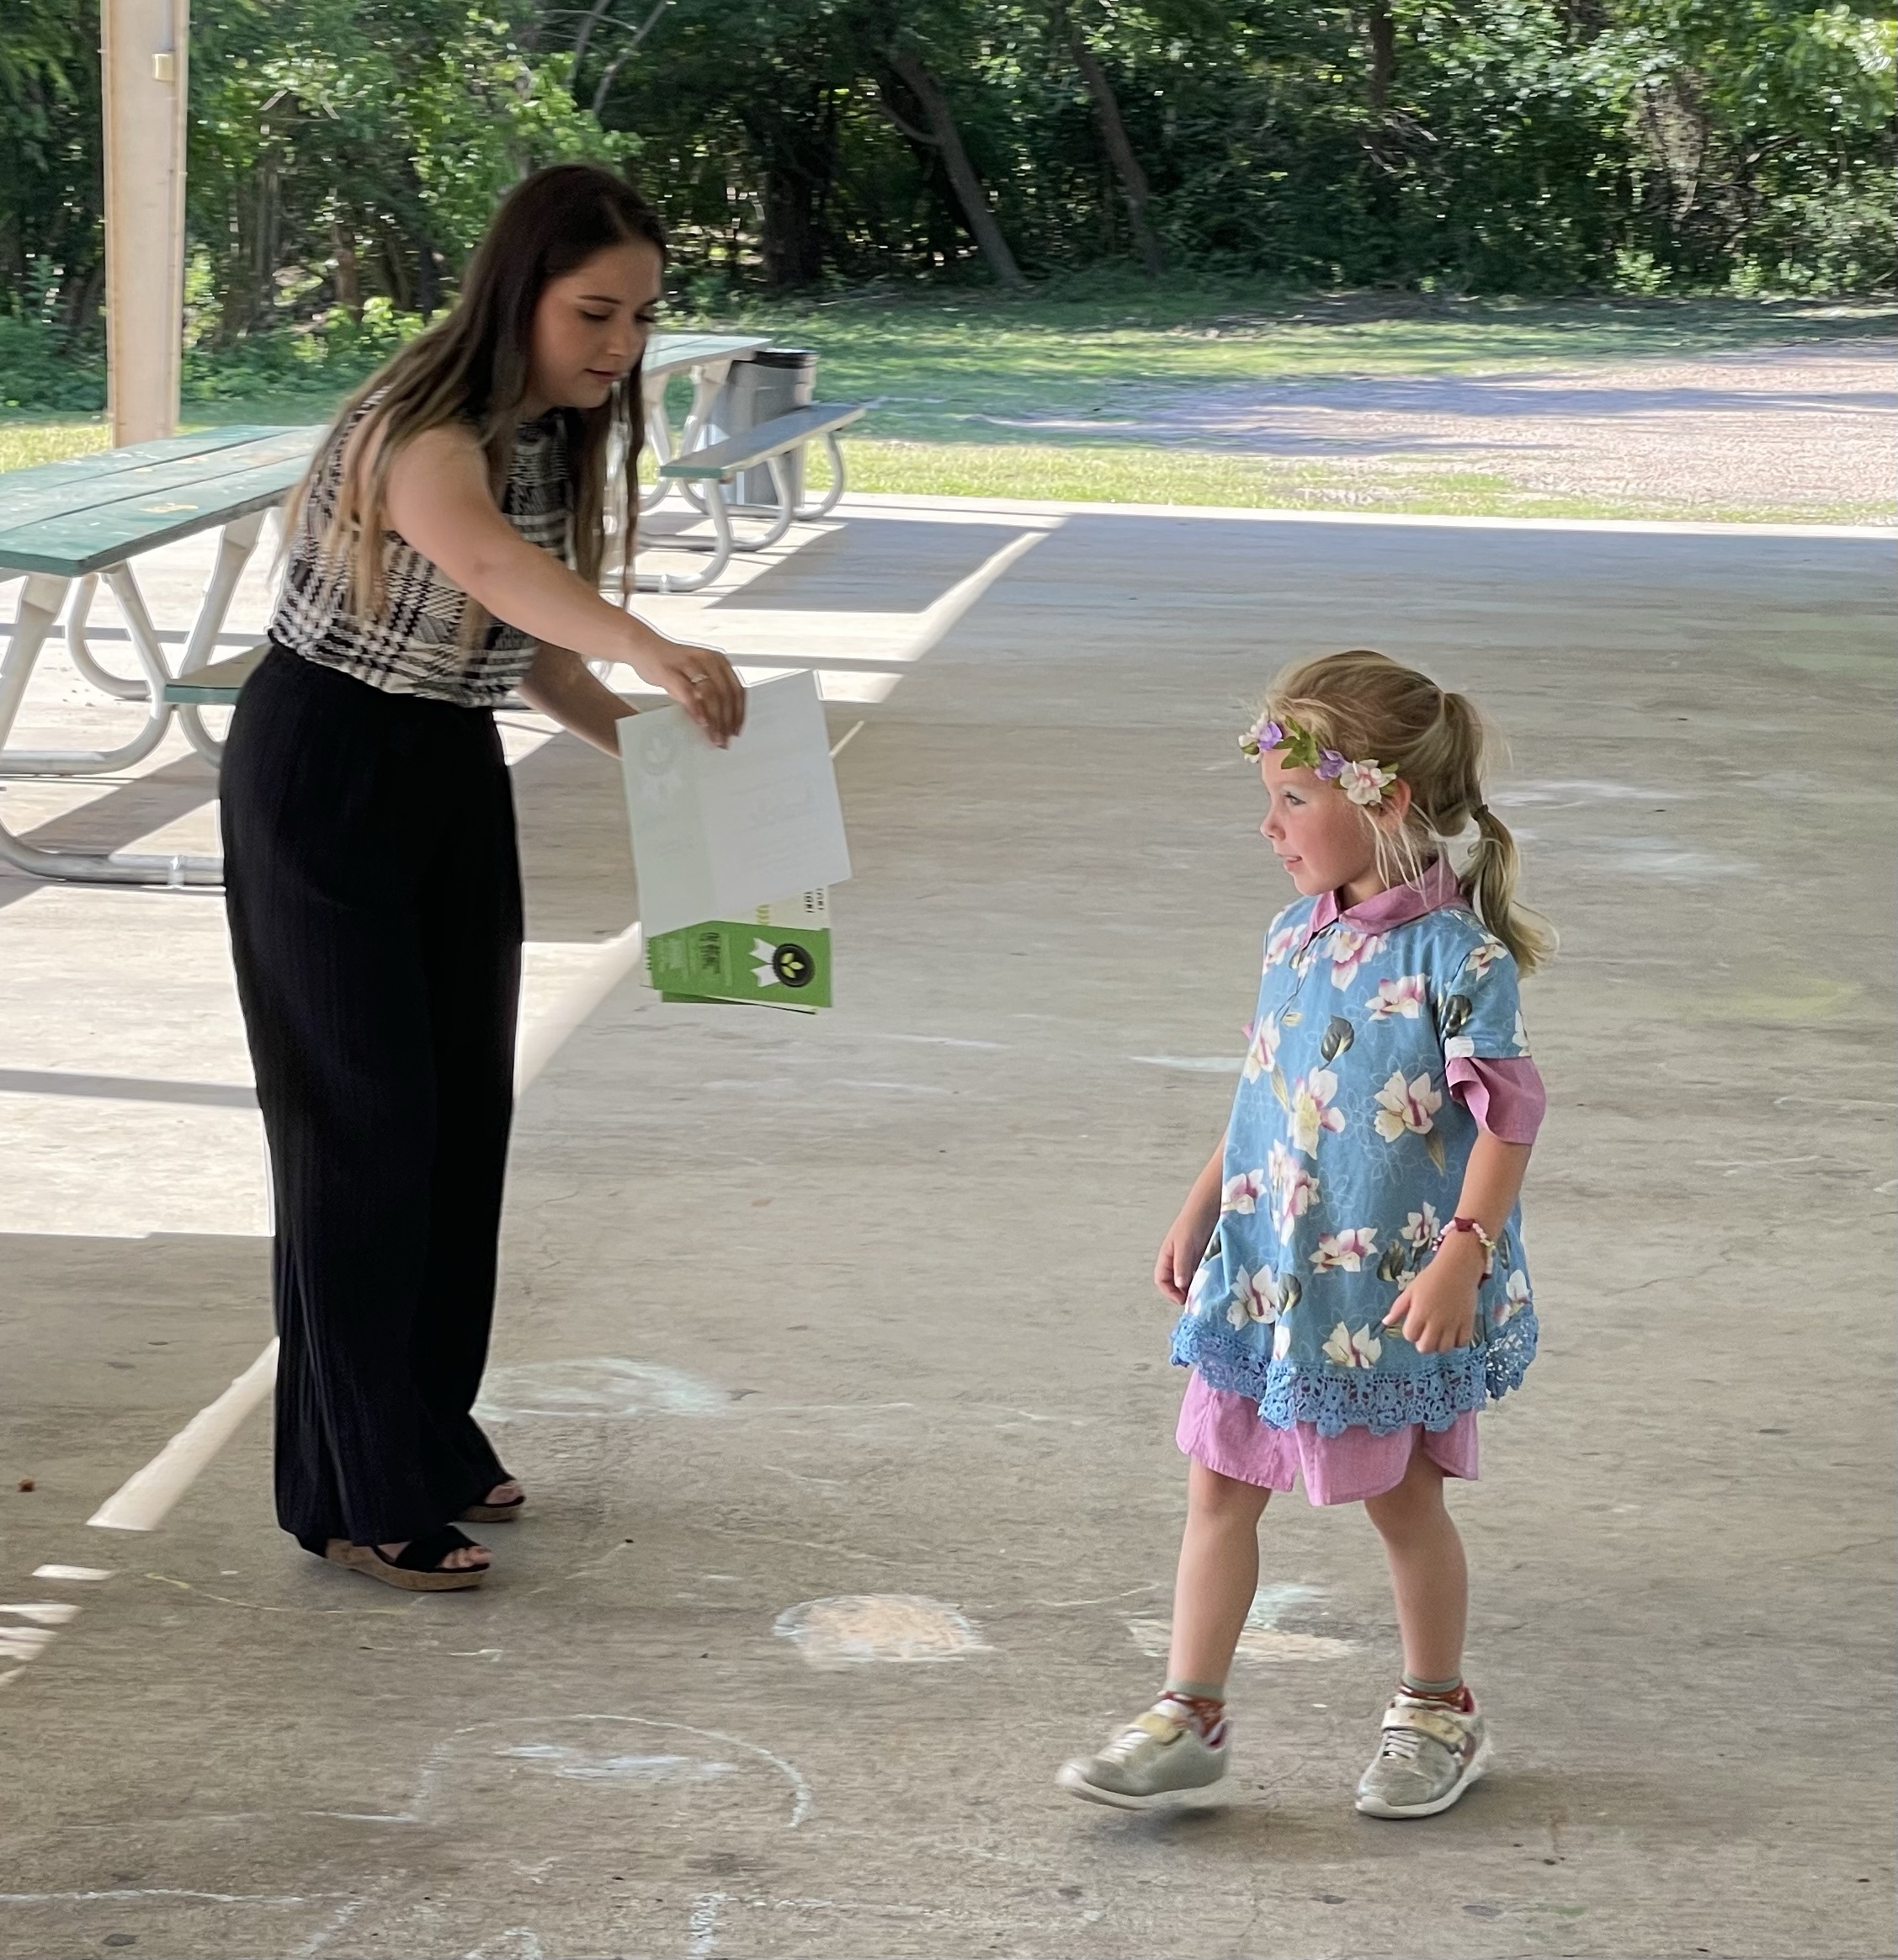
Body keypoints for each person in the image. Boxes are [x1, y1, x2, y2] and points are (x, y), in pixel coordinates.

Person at [220, 164, 743, 1592]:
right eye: (595, 312)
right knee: (363, 1124)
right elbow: (495, 569)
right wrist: (658, 645)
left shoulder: (538, 438)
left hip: (446, 764)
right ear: (518, 294)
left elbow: (527, 651)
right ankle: (352, 1488)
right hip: (325, 765)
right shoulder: (424, 429)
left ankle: (426, 1433)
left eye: (642, 316)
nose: (622, 345)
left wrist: (665, 753)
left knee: (458, 1117)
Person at [1058, 649, 1552, 1816]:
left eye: (1292, 798)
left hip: (1389, 1293)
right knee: (1219, 1488)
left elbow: (1510, 1118)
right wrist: (1202, 1203)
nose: (1269, 826)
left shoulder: (1459, 960)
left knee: (1405, 1503)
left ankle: (1438, 1706)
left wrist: (1464, 1253)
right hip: (1268, 1280)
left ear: (1383, 801)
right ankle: (1190, 1711)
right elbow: (1267, 1093)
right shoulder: (1293, 935)